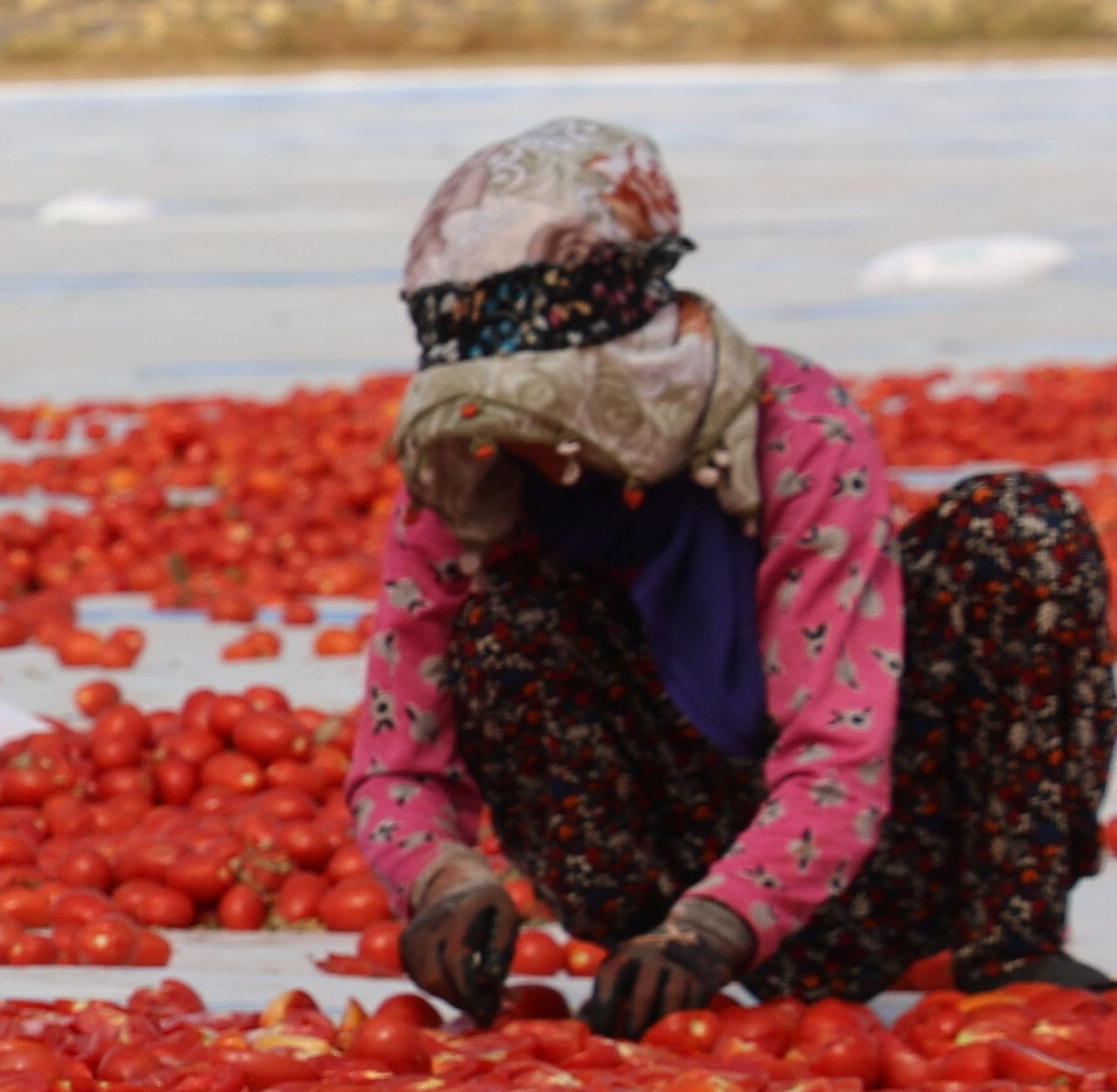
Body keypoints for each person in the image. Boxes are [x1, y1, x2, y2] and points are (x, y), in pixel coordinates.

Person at [358, 118, 1112, 1040]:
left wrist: (720, 927)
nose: (523, 443)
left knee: (1018, 531)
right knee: (507, 622)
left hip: (885, 837)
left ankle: (1011, 939)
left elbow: (838, 743)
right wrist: (441, 880)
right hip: (664, 858)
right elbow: (398, 757)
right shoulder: (467, 476)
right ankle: (649, 965)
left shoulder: (793, 427)